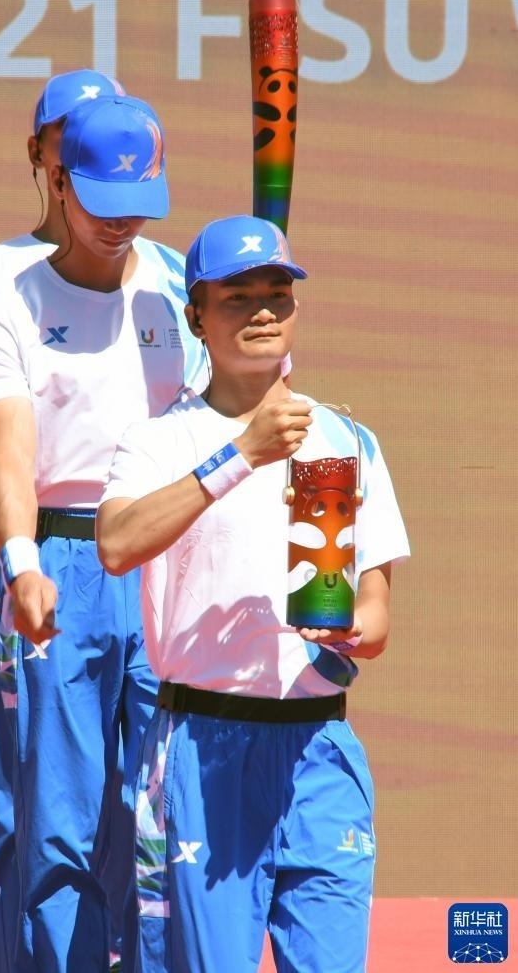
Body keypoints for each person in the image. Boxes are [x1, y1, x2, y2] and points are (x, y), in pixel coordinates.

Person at [96, 214, 410, 973]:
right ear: (196, 317)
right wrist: (242, 452)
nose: (263, 310)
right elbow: (117, 543)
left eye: (278, 293)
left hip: (317, 747)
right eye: (238, 297)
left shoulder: (345, 440)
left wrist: (348, 630)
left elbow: (375, 616)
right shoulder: (160, 441)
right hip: (203, 747)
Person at [0, 95, 208, 972]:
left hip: (167, 563)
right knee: (60, 820)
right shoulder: (10, 308)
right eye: (103, 201)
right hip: (63, 562)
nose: (121, 223)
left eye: (138, 202)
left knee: (163, 814)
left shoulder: (184, 291)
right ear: (60, 182)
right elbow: (8, 450)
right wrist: (20, 562)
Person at [0, 69, 127, 973]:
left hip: (141, 556)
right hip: (40, 551)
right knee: (31, 798)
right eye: (72, 136)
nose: (90, 150)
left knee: (134, 802)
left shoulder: (164, 275)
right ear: (42, 155)